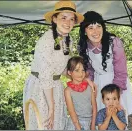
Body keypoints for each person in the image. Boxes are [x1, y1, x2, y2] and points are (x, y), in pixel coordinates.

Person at [23, 1, 89, 130]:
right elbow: (46, 75)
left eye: (71, 19)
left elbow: (64, 69)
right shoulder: (46, 41)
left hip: (56, 87)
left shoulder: (68, 40)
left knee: (57, 125)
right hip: (41, 88)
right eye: (63, 18)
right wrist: (51, 107)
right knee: (45, 124)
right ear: (54, 19)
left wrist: (83, 80)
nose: (68, 23)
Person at [78, 11, 132, 118]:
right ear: (84, 31)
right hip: (98, 84)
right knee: (102, 119)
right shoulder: (83, 47)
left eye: (98, 26)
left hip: (117, 84)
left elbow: (121, 71)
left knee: (119, 119)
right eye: (90, 28)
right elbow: (89, 71)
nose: (95, 31)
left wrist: (115, 96)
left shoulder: (114, 42)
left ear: (103, 28)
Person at [64, 56, 97, 130]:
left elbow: (94, 108)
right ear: (69, 72)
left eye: (83, 70)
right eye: (77, 70)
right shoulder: (68, 91)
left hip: (89, 123)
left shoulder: (89, 87)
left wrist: (92, 126)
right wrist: (79, 128)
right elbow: (72, 113)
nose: (81, 73)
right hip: (75, 124)